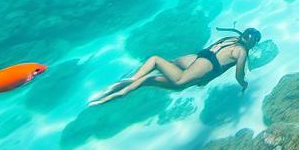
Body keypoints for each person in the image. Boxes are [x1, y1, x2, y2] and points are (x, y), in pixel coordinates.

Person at [89, 27, 261, 106]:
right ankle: (123, 89)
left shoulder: (231, 38)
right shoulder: (241, 52)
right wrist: (244, 85)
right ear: (252, 44)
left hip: (195, 58)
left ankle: (128, 81)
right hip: (201, 67)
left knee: (155, 74)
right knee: (172, 77)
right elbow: (239, 75)